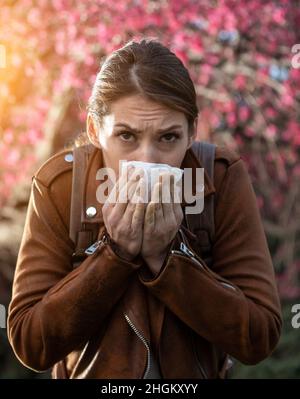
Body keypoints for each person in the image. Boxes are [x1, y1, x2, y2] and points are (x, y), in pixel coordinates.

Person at [7, 38, 282, 379]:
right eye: (126, 136)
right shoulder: (61, 187)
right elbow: (31, 343)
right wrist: (114, 255)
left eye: (168, 138)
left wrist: (169, 258)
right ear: (95, 129)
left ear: (192, 132)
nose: (147, 159)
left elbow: (259, 336)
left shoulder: (219, 179)